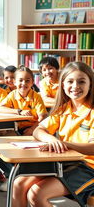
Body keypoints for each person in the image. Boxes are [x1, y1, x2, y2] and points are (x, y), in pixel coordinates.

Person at [13, 62, 94, 207]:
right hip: (65, 162)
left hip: (89, 168)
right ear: (63, 85)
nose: (75, 86)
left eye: (81, 82)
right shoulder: (63, 109)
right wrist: (51, 139)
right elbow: (38, 130)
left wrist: (64, 144)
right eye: (70, 81)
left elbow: (92, 148)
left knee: (37, 194)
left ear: (91, 85)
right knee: (19, 183)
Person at [0, 65, 47, 136]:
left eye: (27, 81)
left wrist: (32, 129)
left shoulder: (36, 97)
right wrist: (19, 111)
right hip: (18, 128)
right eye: (20, 80)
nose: (24, 83)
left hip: (36, 127)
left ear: (32, 82)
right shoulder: (13, 94)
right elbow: (0, 108)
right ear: (14, 82)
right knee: (6, 137)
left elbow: (43, 117)